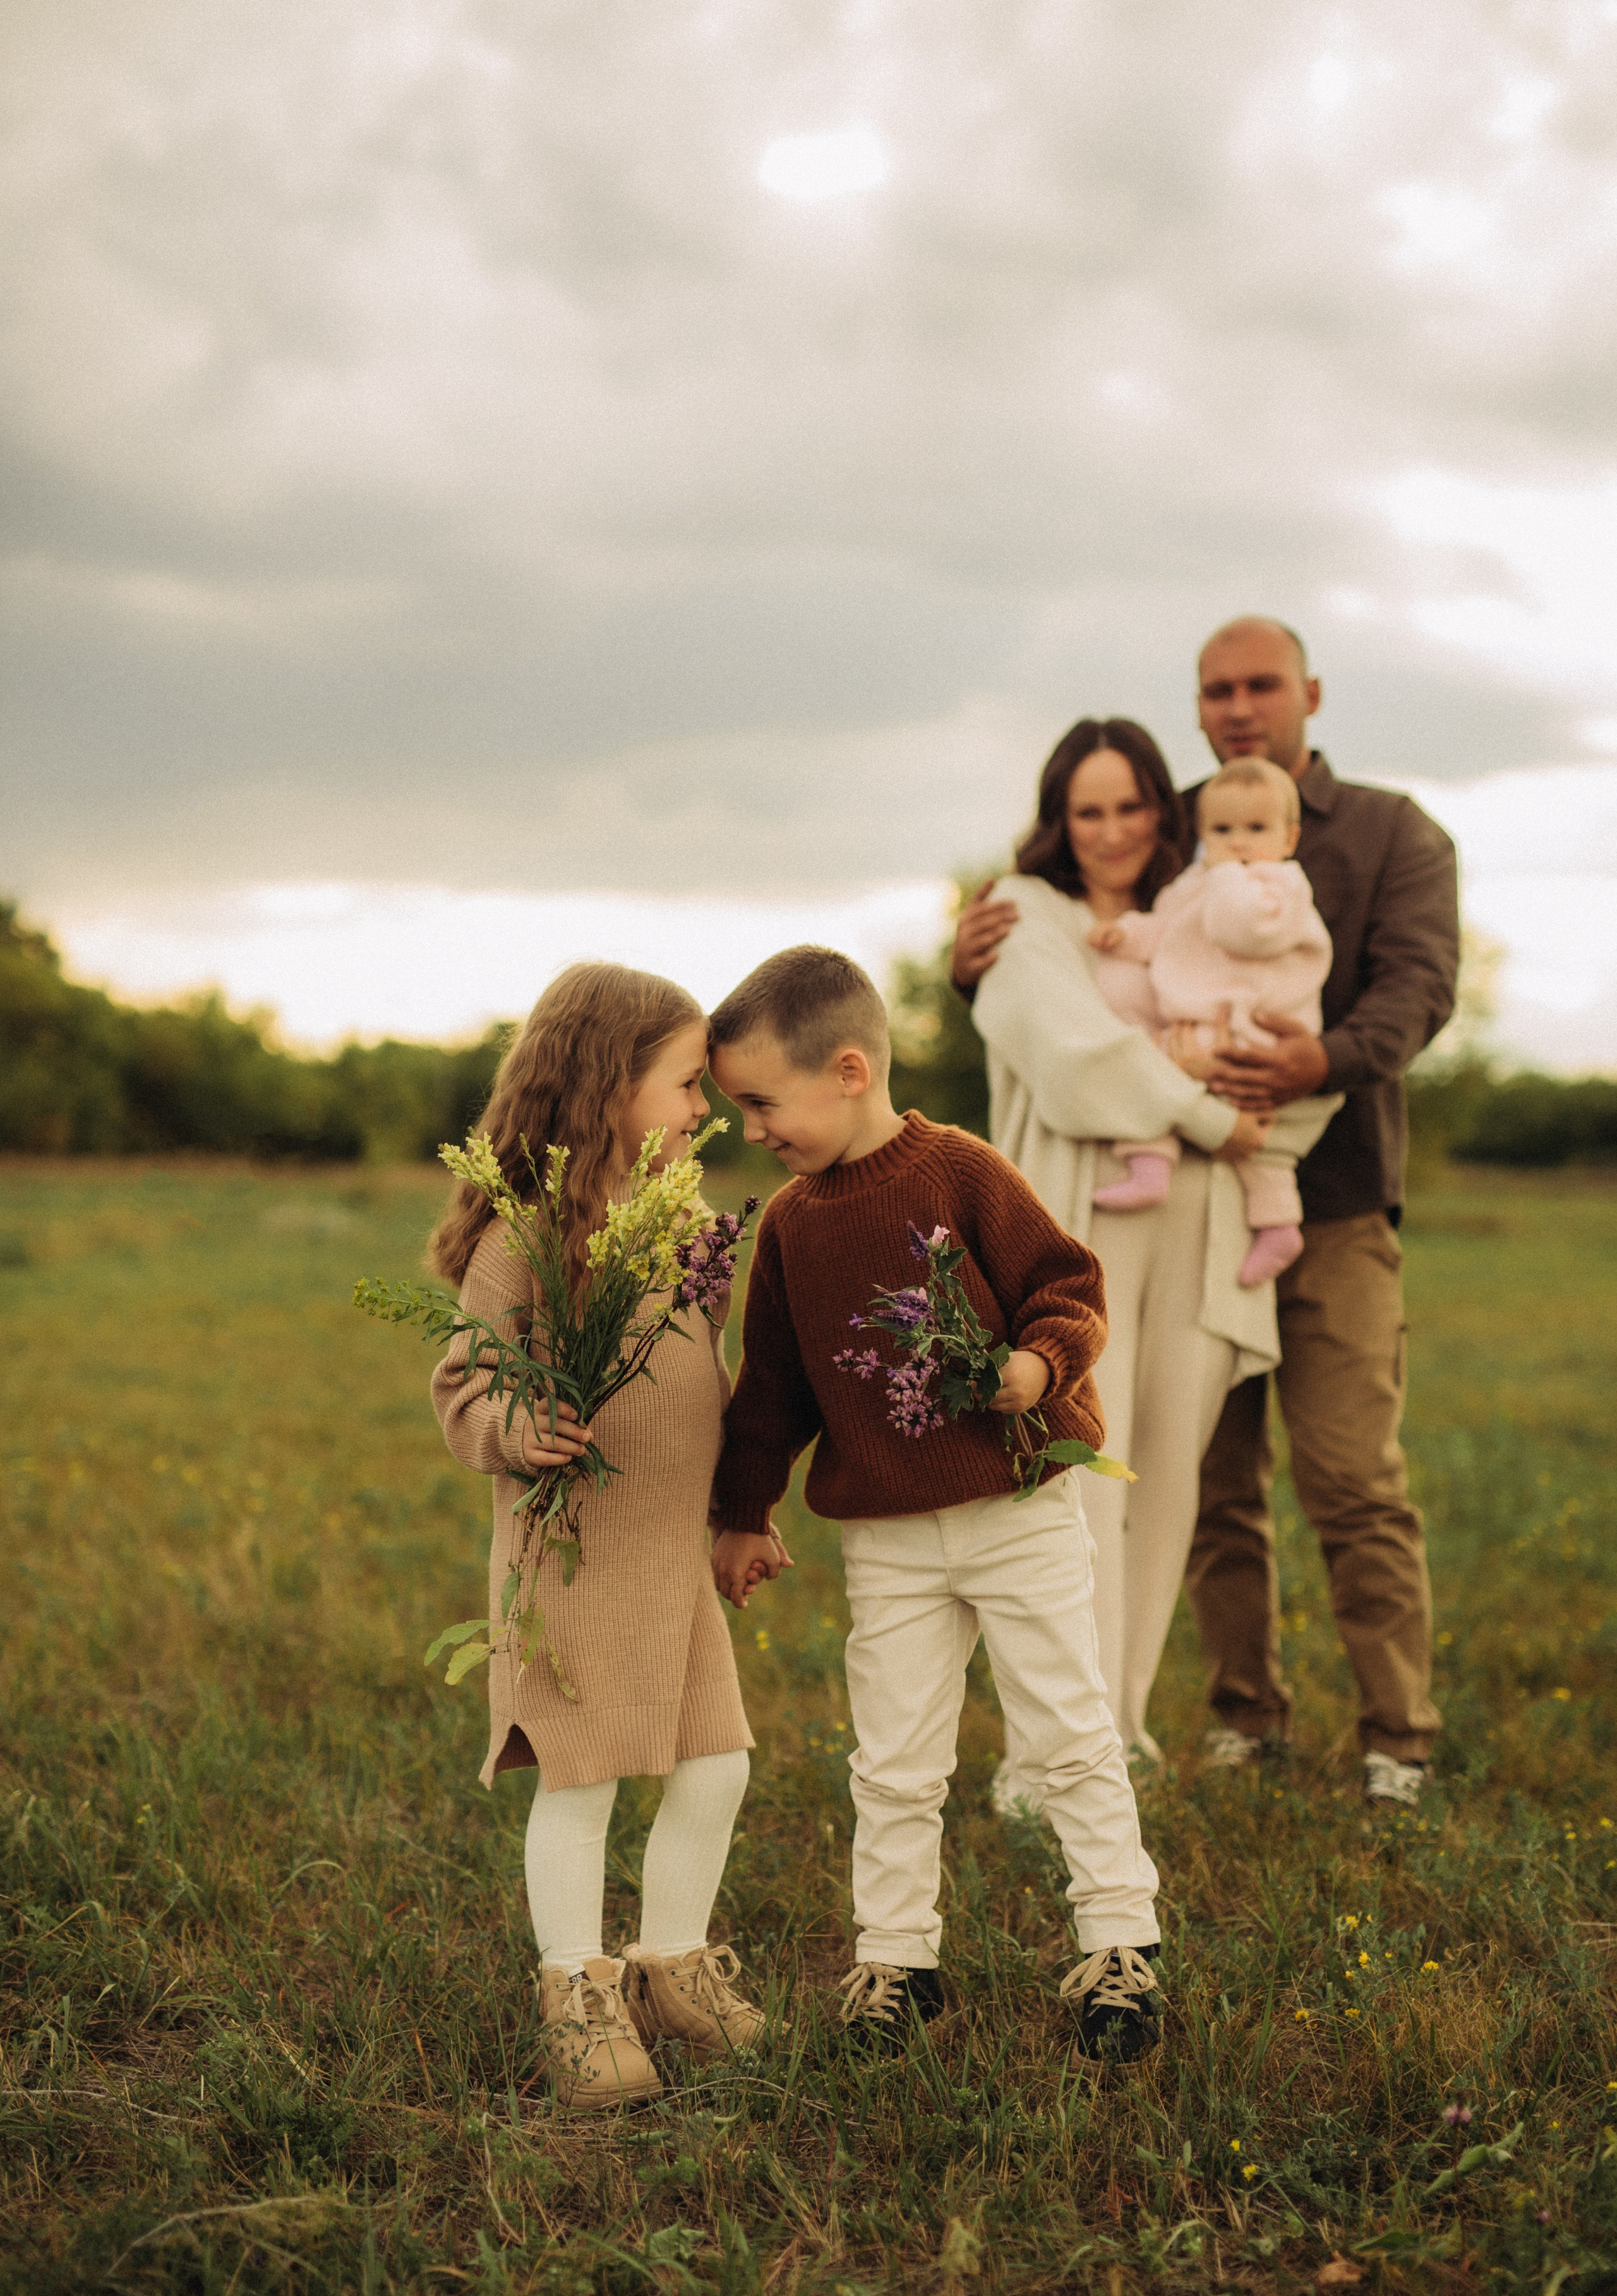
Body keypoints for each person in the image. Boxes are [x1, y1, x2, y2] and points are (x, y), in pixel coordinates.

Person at [954, 619, 1460, 1811]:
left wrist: (1311, 1065)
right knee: (1188, 1484)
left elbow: (1419, 991)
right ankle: (1240, 1717)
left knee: (1346, 1474)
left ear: (1309, 694)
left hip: (1315, 1200)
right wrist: (962, 967)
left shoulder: (1390, 832)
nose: (1240, 707)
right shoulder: (1177, 831)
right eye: (1217, 690)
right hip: (1165, 1197)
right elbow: (1057, 988)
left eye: (1261, 685)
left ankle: (1401, 1735)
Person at [705, 945, 1165, 2066]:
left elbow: (1069, 1285)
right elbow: (772, 1389)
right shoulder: (792, 1227)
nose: (754, 1129)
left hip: (1015, 1510)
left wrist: (1039, 1369)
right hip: (889, 1538)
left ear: (850, 1070)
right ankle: (898, 1959)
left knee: (1066, 1728)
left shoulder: (961, 1174)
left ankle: (1117, 1947)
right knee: (895, 1754)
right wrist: (742, 1510)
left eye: (763, 1103)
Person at [428, 963, 767, 2112]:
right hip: (572, 1556)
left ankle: (671, 1964)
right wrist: (515, 1426)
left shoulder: (685, 1231)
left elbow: (703, 1379)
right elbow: (465, 1384)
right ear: (608, 1086)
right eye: (684, 1084)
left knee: (716, 1763)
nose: (700, 1111)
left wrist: (738, 1518)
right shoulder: (526, 1237)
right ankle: (576, 1991)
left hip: (672, 1564)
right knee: (579, 1782)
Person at [963, 719, 1277, 1771]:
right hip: (1080, 1220)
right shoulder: (1021, 916)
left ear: (1164, 807)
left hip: (1200, 1218)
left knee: (1165, 1483)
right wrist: (1204, 1108)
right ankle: (1044, 1755)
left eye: (1132, 806)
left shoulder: (1192, 912)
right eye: (1087, 811)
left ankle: (1121, 1731)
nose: (1112, 832)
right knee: (1074, 1482)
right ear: (1059, 820)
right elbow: (1072, 1059)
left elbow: (1264, 1012)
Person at [1089, 753, 1341, 1287]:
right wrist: (1127, 935)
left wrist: (1226, 874)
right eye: (1222, 830)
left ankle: (1276, 1225)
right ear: (1202, 834)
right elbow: (1168, 932)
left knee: (1253, 1134)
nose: (1238, 842)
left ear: (1289, 838)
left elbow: (1242, 932)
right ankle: (1154, 1167)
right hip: (1205, 1021)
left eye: (1256, 828)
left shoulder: (1282, 887)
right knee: (1152, 1070)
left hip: (1255, 1026)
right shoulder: (1198, 883)